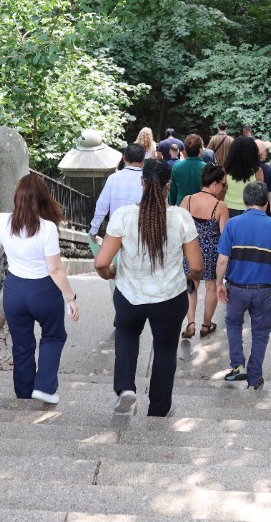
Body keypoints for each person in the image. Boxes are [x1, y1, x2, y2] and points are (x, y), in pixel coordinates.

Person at [95, 160, 204, 417]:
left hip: (129, 294)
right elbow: (197, 265)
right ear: (168, 186)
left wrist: (109, 272)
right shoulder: (180, 217)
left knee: (126, 336)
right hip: (169, 296)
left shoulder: (124, 215)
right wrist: (190, 278)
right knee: (165, 350)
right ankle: (159, 406)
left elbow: (101, 262)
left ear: (142, 183)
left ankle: (125, 388)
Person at [0, 174, 79, 405]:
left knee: (22, 344)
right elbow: (55, 269)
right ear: (43, 198)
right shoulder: (47, 228)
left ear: (17, 196)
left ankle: (23, 391)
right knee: (53, 336)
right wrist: (71, 298)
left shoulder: (2, 221)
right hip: (44, 292)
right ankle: (45, 387)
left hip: (14, 292)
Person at [216, 181, 271, 390]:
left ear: (244, 202)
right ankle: (255, 376)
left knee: (233, 324)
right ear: (266, 204)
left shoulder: (233, 224)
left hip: (237, 287)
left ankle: (237, 365)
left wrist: (219, 284)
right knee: (261, 332)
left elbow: (223, 260)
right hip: (264, 291)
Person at [180, 163, 229, 338]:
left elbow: (179, 227)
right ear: (214, 183)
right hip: (211, 253)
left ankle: (190, 323)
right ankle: (206, 325)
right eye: (222, 184)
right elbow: (225, 236)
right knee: (211, 287)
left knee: (191, 286)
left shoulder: (187, 200)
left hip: (189, 250)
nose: (223, 188)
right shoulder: (220, 206)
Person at [89, 143, 145, 241]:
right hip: (141, 232)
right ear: (143, 161)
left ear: (124, 159)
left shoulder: (113, 178)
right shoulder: (148, 180)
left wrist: (94, 228)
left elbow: (102, 205)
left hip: (116, 232)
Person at [222, 135, 264, 218]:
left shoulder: (226, 170)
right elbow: (260, 193)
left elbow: (222, 190)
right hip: (251, 209)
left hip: (229, 208)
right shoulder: (257, 171)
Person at [169, 134, 207, 206]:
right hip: (201, 208)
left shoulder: (176, 167)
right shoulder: (207, 168)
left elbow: (173, 192)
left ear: (185, 150)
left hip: (181, 207)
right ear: (200, 150)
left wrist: (173, 205)